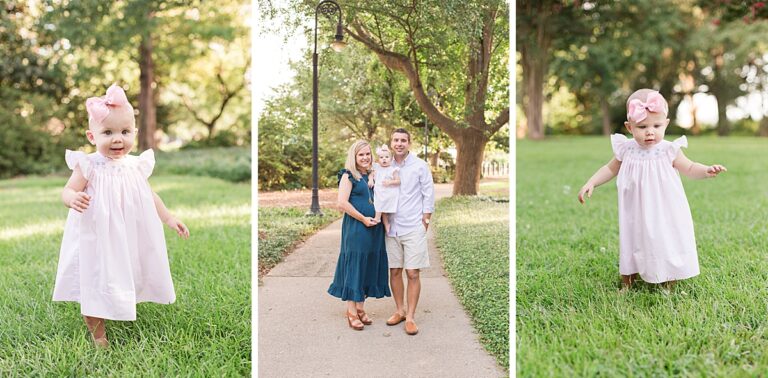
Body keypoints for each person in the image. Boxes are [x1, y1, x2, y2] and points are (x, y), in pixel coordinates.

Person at [53, 84, 190, 348]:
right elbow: (68, 190)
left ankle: (120, 301)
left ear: (135, 133)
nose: (118, 139)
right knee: (94, 277)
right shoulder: (89, 165)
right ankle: (98, 334)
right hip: (96, 234)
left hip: (126, 234)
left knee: (122, 270)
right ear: (92, 136)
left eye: (125, 132)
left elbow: (150, 196)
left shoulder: (135, 165)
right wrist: (72, 199)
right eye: (108, 132)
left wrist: (169, 218)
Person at [578, 89, 726, 292]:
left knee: (664, 237)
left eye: (656, 126)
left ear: (665, 124)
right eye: (642, 126)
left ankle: (668, 280)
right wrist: (592, 182)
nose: (650, 131)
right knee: (632, 238)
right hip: (634, 209)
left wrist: (706, 170)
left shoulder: (668, 150)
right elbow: (610, 168)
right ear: (629, 127)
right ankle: (627, 282)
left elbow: (690, 168)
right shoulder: (627, 149)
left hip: (664, 208)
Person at [328, 140, 391, 330]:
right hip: (357, 228)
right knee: (355, 265)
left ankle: (361, 308)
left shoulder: (373, 174)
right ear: (354, 157)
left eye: (367, 154)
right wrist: (363, 218)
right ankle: (351, 311)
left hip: (375, 228)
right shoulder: (348, 176)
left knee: (369, 265)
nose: (365, 158)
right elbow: (341, 203)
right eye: (361, 154)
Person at [384, 128, 435, 335]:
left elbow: (428, 193)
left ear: (409, 143)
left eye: (403, 140)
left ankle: (411, 317)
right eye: (396, 140)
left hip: (413, 226)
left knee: (413, 272)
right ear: (391, 142)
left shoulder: (420, 166)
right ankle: (400, 310)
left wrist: (426, 221)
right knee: (395, 270)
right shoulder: (384, 166)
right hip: (392, 228)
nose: (399, 143)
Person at [371, 144, 401, 234]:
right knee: (380, 206)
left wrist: (390, 182)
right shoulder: (377, 168)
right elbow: (371, 174)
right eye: (381, 157)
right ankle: (386, 224)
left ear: (391, 159)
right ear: (378, 159)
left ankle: (377, 218)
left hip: (388, 192)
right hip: (379, 191)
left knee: (381, 204)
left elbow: (398, 181)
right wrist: (370, 180)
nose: (384, 159)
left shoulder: (392, 169)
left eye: (387, 157)